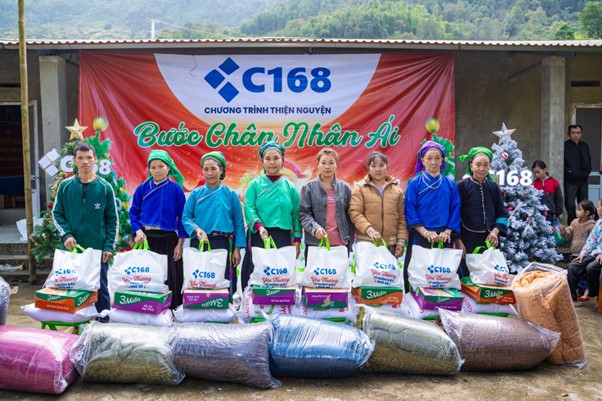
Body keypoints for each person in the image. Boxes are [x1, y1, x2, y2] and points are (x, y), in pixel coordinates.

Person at [52, 142, 118, 321]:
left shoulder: (105, 188)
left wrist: (108, 246)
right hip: (73, 250)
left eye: (89, 157)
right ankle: (76, 325)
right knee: (73, 289)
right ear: (74, 160)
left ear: (95, 159)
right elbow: (57, 214)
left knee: (100, 289)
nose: (85, 162)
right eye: (80, 158)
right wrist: (66, 234)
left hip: (98, 250)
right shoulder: (65, 186)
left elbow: (112, 220)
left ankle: (102, 325)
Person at [240, 141, 302, 290]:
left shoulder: (290, 187)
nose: (272, 162)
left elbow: (295, 214)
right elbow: (249, 207)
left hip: (283, 236)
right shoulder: (255, 185)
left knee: (280, 274)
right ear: (262, 162)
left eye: (276, 158)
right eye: (268, 159)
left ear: (282, 161)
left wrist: (297, 240)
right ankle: (254, 301)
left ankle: (279, 301)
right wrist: (259, 227)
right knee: (258, 273)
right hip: (259, 235)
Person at [182, 151, 245, 296]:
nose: (209, 173)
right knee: (201, 277)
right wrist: (196, 229)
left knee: (223, 277)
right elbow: (185, 217)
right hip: (200, 242)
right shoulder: (196, 194)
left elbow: (238, 223)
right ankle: (200, 303)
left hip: (224, 243)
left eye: (213, 169)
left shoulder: (231, 194)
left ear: (221, 170)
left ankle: (224, 305)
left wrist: (237, 249)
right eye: (206, 169)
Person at [130, 149, 187, 308]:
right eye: (153, 167)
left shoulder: (176, 189)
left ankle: (171, 310)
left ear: (168, 167)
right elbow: (134, 212)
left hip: (169, 240)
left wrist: (180, 245)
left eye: (161, 166)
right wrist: (138, 231)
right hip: (147, 239)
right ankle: (147, 308)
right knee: (148, 276)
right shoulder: (142, 188)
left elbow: (183, 218)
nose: (157, 170)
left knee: (171, 276)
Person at [403, 141, 461, 291]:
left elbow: (455, 208)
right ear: (423, 161)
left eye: (437, 158)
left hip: (444, 237)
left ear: (442, 160)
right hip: (420, 236)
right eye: (429, 158)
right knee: (417, 274)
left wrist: (447, 232)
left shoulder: (450, 184)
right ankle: (415, 302)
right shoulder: (415, 183)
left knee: (442, 276)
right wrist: (425, 232)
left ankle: (442, 301)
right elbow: (410, 209)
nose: (433, 162)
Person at [456, 147, 509, 277]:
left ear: (489, 166)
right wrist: (458, 240)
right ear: (471, 166)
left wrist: (495, 231)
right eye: (478, 164)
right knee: (467, 276)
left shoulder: (493, 187)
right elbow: (454, 215)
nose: (482, 168)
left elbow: (502, 213)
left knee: (489, 276)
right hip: (467, 239)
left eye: (486, 165)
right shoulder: (462, 186)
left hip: (490, 239)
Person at [349, 151, 407, 258]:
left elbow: (402, 218)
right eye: (373, 166)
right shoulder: (360, 188)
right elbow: (355, 213)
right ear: (369, 169)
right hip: (367, 243)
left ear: (387, 167)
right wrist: (369, 230)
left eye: (381, 165)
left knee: (388, 270)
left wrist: (401, 241)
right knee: (367, 270)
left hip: (390, 245)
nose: (377, 169)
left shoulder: (397, 190)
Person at [299, 148, 354, 256]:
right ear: (318, 165)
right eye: (323, 163)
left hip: (340, 244)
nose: (327, 167)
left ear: (336, 165)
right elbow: (303, 214)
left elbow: (350, 217)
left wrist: (350, 243)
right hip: (316, 244)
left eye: (331, 163)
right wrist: (315, 229)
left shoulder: (345, 188)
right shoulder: (308, 188)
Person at [567, 199, 602, 306]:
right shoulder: (599, 223)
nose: (597, 208)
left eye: (599, 206)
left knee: (591, 268)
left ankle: (593, 293)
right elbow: (591, 241)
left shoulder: (592, 224)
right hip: (594, 253)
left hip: (600, 255)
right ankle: (572, 298)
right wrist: (583, 253)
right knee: (573, 266)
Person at [564, 124, 591, 223]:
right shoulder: (565, 146)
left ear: (581, 134)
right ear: (569, 134)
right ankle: (573, 224)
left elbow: (589, 160)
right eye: (573, 133)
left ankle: (583, 224)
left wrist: (588, 171)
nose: (576, 135)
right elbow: (562, 162)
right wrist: (569, 172)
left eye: (578, 133)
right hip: (570, 181)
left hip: (583, 180)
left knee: (584, 205)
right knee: (570, 204)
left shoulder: (584, 146)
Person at [532, 160, 564, 224]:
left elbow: (559, 199)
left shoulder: (554, 182)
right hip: (538, 215)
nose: (537, 175)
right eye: (535, 173)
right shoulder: (534, 184)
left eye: (538, 172)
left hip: (551, 215)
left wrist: (558, 213)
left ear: (545, 169)